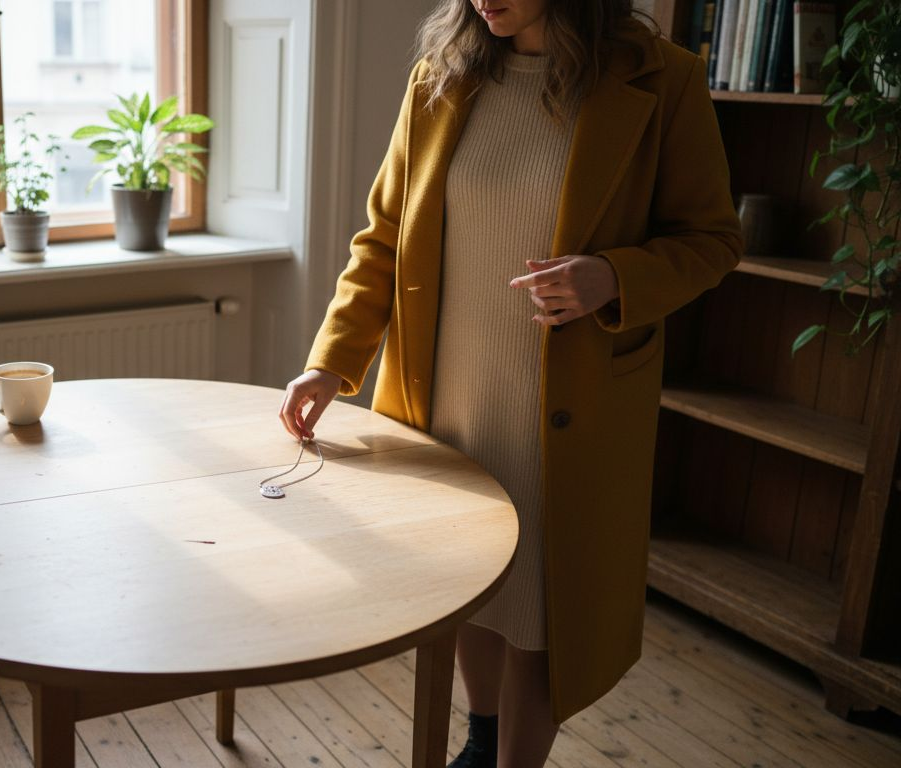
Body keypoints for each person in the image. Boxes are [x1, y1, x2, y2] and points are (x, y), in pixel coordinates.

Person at [278, 0, 742, 765]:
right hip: (445, 391)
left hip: (569, 403)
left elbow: (714, 240)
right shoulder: (441, 75)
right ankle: (482, 731)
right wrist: (333, 359)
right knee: (463, 582)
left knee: (540, 606)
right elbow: (384, 235)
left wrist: (613, 278)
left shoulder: (666, 82)